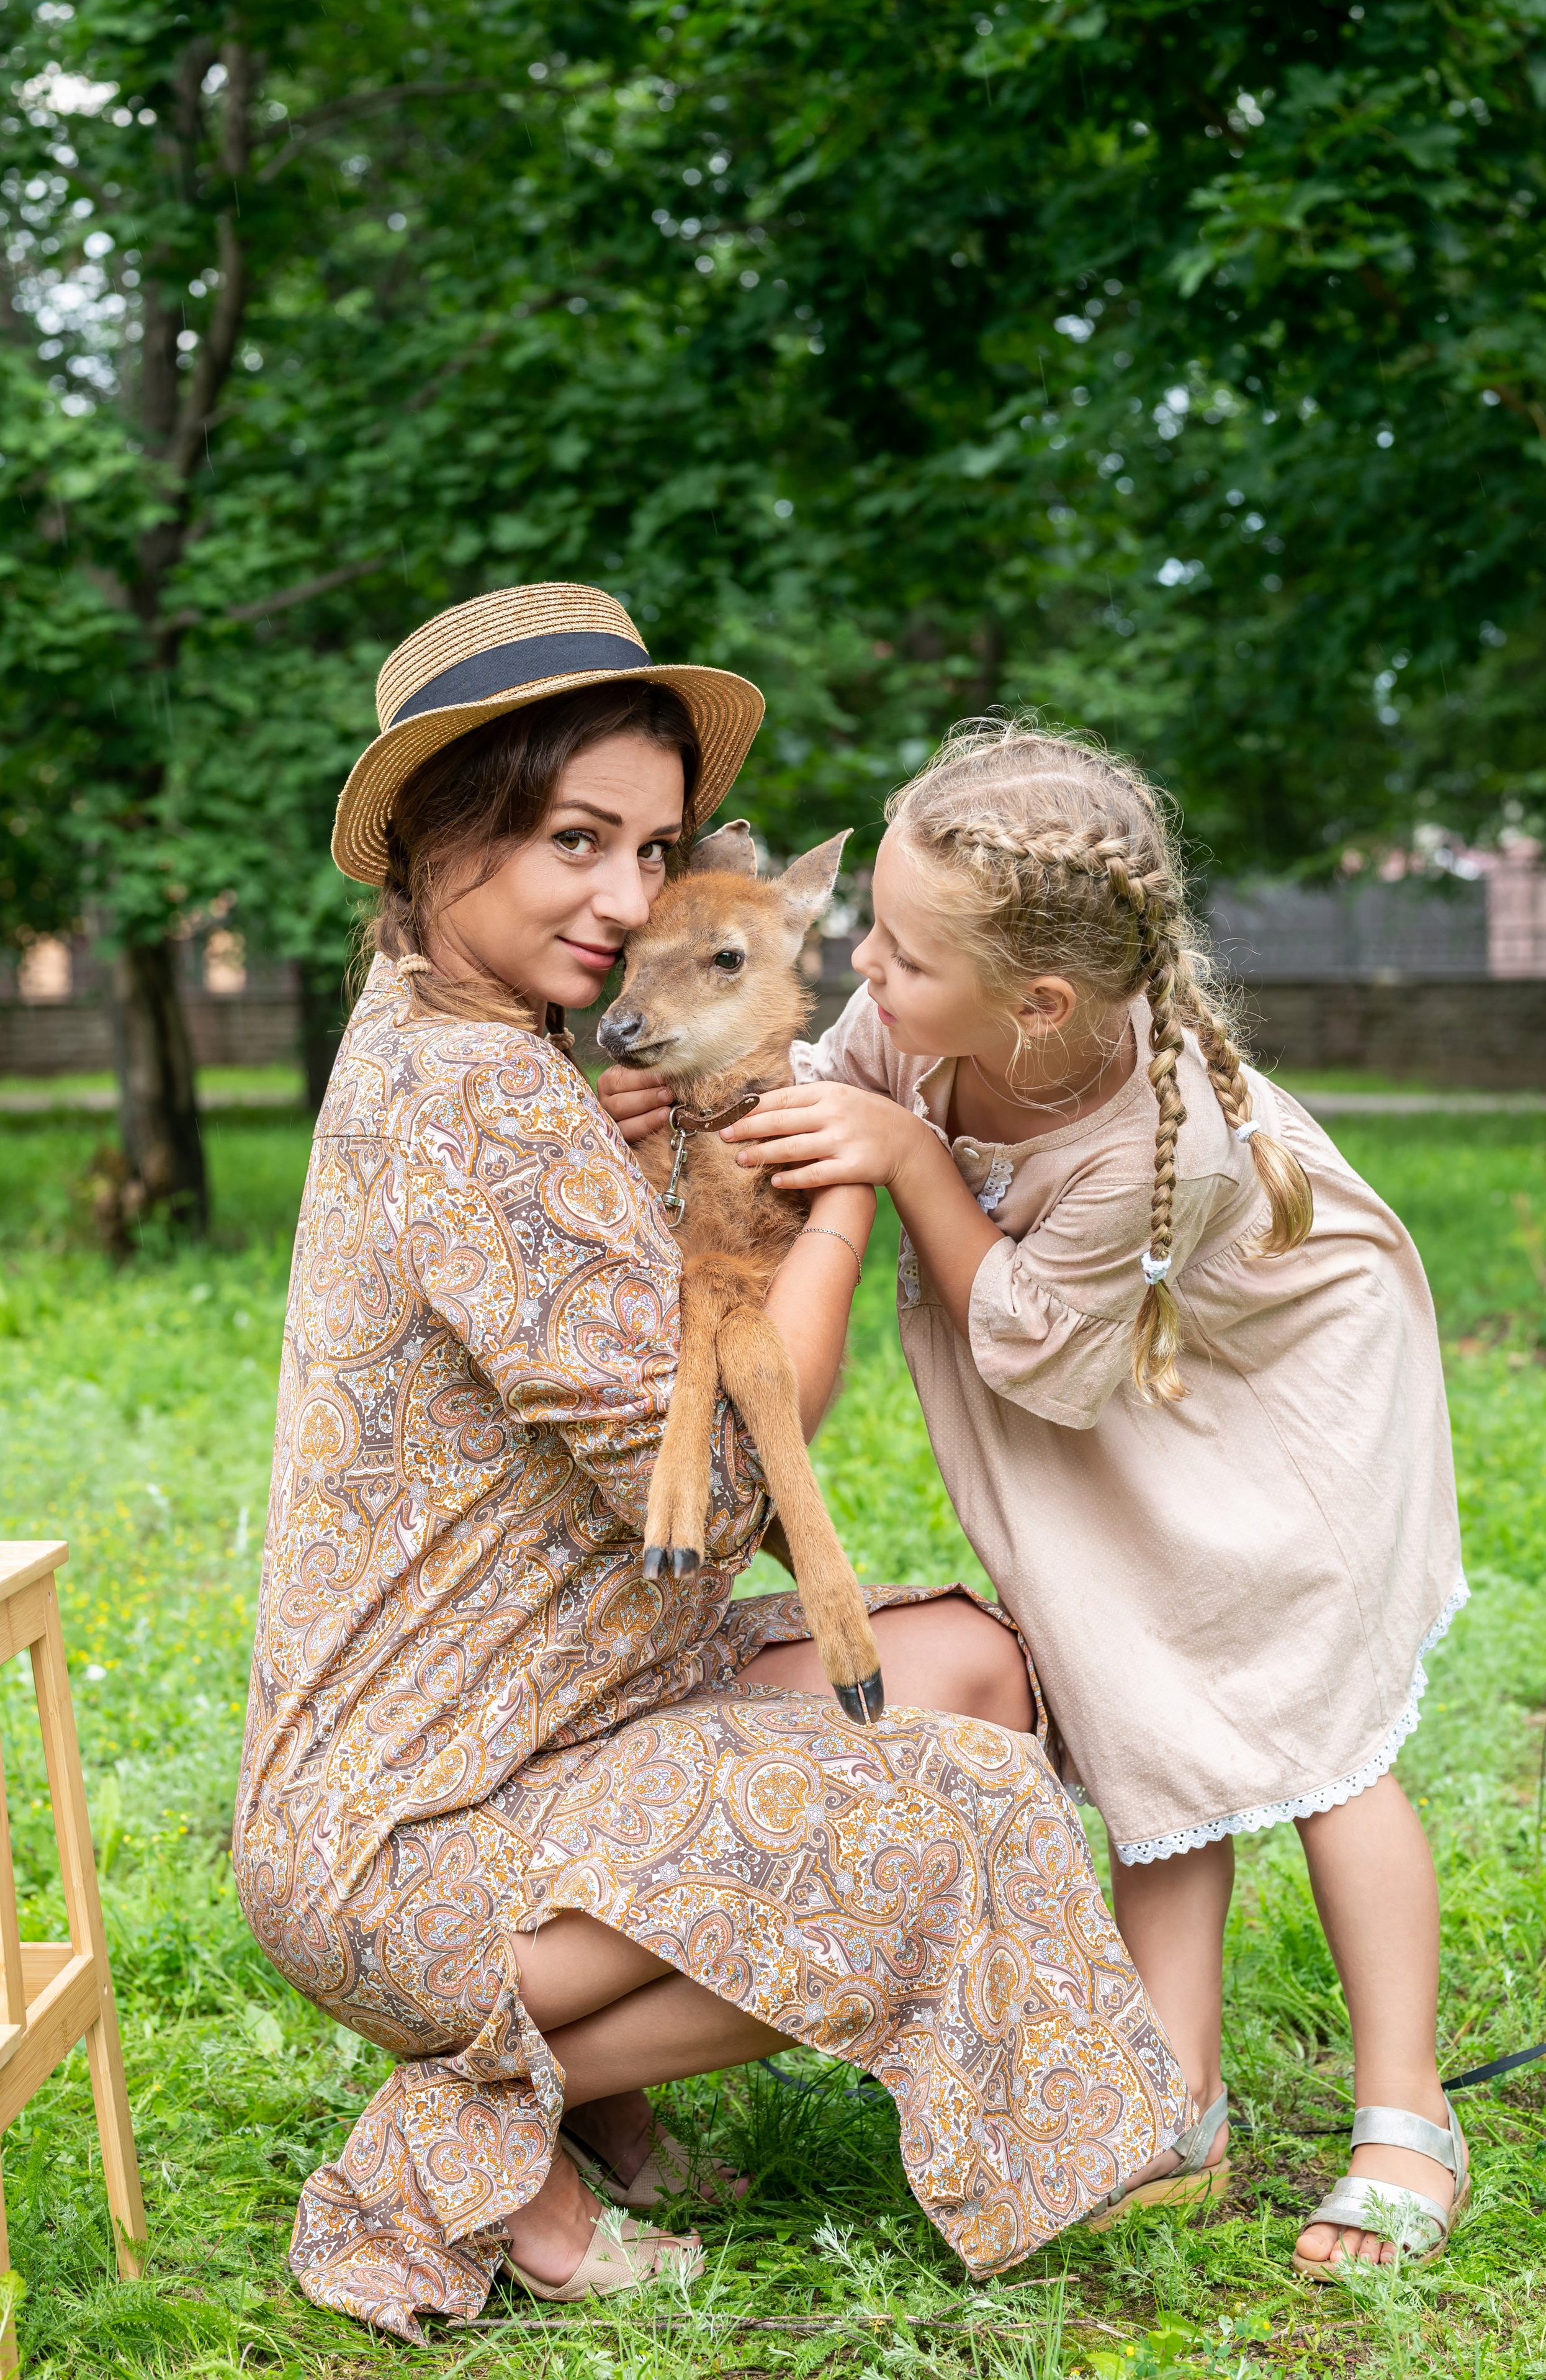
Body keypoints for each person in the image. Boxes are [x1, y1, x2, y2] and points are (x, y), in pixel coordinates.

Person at [233, 593, 1191, 2342]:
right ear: (445, 830)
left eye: (653, 846)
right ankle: (476, 2148)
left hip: (529, 1727)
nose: (624, 896)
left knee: (967, 1670)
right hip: (414, 1840)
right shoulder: (488, 1098)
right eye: (570, 841)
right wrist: (832, 1192)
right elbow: (721, 1484)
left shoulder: (470, 1043)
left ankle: (590, 2096)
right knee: (955, 1816)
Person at [601, 716, 1472, 2281]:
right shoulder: (913, 1023)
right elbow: (820, 1106)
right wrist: (709, 1108)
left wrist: (915, 1171)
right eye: (870, 933)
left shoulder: (1172, 1143)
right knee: (1135, 1691)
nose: (863, 969)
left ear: (1039, 1002)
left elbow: (1045, 1361)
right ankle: (1169, 2095)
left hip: (1280, 1387)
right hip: (1108, 1386)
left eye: (903, 957)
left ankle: (1405, 2110)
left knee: (1317, 1732)